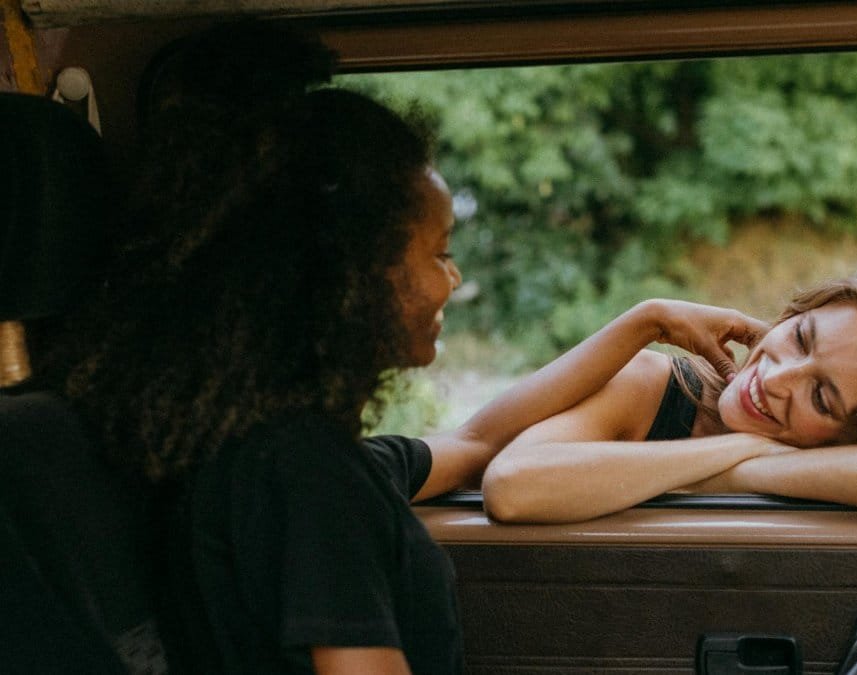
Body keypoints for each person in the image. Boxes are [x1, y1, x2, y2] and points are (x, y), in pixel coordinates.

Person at [55, 23, 767, 675]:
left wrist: (647, 322)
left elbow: (483, 440)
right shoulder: (306, 474)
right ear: (351, 274)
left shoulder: (283, 451)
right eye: (439, 252)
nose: (452, 279)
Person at [482, 273, 857, 523]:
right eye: (801, 337)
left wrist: (739, 468)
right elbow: (512, 487)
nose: (778, 378)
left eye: (822, 398)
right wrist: (745, 450)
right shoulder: (652, 386)